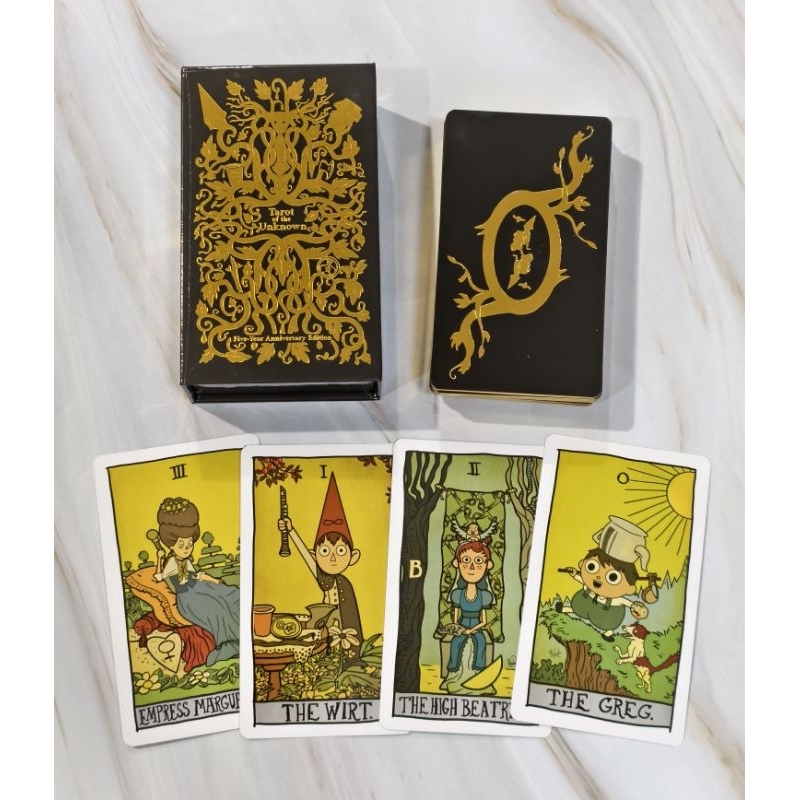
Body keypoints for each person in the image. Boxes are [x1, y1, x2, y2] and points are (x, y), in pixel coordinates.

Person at [277, 473, 363, 645]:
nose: (333, 558)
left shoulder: (344, 585)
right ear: (315, 555)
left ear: (353, 557)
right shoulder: (324, 577)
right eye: (325, 551)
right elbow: (305, 556)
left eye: (340, 550)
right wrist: (291, 531)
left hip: (342, 632)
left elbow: (350, 618)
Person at [154, 497, 240, 666]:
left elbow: (196, 576)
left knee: (230, 592)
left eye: (190, 543)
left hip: (199, 586)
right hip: (188, 598)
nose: (187, 548)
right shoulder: (171, 563)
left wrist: (215, 581)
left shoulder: (186, 561)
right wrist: (159, 559)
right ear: (171, 545)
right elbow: (159, 576)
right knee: (217, 608)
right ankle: (230, 642)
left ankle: (244, 629)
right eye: (181, 544)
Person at [556, 516, 651, 642]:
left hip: (606, 613)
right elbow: (582, 579)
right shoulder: (589, 585)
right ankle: (567, 609)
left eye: (613, 577)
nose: (598, 577)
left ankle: (608, 633)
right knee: (578, 608)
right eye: (591, 566)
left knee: (608, 624)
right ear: (582, 564)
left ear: (629, 588)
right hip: (586, 602)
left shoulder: (616, 599)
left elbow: (627, 603)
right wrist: (574, 574)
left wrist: (636, 607)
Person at [440, 539, 495, 688]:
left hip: (476, 626)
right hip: (462, 625)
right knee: (455, 643)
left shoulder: (484, 596)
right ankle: (453, 674)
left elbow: (484, 621)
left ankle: (478, 674)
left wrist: (472, 630)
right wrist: (459, 629)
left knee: (481, 642)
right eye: (466, 560)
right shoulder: (457, 594)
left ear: (487, 565)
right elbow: (455, 618)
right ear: (457, 563)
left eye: (478, 561)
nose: (471, 567)